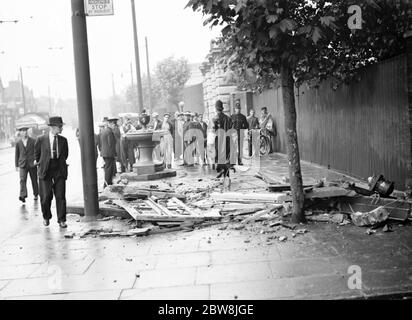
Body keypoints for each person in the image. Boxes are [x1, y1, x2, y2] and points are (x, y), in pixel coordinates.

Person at [34, 116, 68, 228]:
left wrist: (60, 166)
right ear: (53, 127)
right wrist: (41, 163)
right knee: (46, 196)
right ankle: (46, 217)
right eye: (60, 126)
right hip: (45, 171)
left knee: (60, 196)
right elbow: (37, 155)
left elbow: (65, 155)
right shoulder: (41, 139)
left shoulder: (63, 140)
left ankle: (62, 220)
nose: (61, 128)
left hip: (59, 170)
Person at [15, 126, 39, 203]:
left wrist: (36, 159)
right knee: (22, 180)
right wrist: (16, 165)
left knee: (34, 180)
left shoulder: (33, 141)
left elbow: (36, 152)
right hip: (22, 164)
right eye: (22, 131)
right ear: (20, 133)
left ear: (27, 132)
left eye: (25, 131)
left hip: (32, 164)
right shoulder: (18, 143)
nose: (24, 132)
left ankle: (36, 194)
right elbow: (17, 154)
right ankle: (22, 195)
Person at [212, 100, 232, 165]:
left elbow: (213, 130)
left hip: (218, 137)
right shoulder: (227, 118)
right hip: (226, 137)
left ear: (216, 109)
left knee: (218, 150)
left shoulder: (214, 118)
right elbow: (230, 127)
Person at [99, 117, 117, 187]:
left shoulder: (104, 131)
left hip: (105, 153)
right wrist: (114, 154)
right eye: (114, 125)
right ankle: (107, 184)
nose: (114, 126)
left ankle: (108, 183)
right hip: (109, 153)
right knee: (109, 169)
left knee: (108, 168)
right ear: (110, 124)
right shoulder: (109, 132)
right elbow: (111, 144)